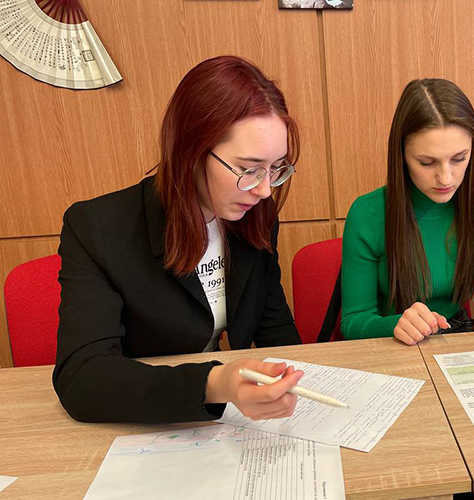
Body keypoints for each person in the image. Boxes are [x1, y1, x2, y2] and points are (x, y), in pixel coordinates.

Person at [53, 56, 305, 423]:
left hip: (231, 424)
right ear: (190, 150)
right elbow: (82, 378)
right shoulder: (98, 228)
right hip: (143, 419)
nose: (265, 190)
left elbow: (275, 330)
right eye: (249, 169)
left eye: (276, 168)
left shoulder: (254, 216)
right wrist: (215, 383)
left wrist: (294, 384)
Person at [341, 78, 474, 345]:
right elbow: (353, 321)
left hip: (457, 335)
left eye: (459, 159)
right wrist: (396, 324)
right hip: (391, 344)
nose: (445, 178)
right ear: (401, 155)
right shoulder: (367, 214)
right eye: (426, 162)